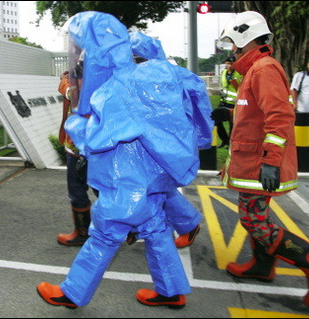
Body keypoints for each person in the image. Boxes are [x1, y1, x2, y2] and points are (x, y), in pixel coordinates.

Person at [37, 11, 212, 309]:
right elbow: (197, 101)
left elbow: (94, 138)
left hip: (126, 175)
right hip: (153, 173)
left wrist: (74, 118)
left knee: (107, 231)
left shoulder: (116, 88)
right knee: (155, 227)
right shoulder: (156, 74)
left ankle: (73, 292)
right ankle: (171, 290)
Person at [217, 11, 309, 309]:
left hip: (260, 163)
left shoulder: (263, 69)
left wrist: (271, 161)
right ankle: (262, 266)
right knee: (255, 217)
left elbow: (280, 117)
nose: (232, 50)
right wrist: (229, 121)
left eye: (233, 43)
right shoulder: (256, 69)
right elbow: (253, 118)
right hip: (252, 161)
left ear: (245, 38)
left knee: (253, 220)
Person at [128, 31, 214, 248]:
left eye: (137, 58)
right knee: (156, 185)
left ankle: (143, 228)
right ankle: (182, 224)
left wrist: (202, 137)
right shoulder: (135, 76)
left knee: (154, 185)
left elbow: (200, 107)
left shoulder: (174, 75)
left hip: (167, 143)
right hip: (146, 142)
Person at [56, 70, 97, 246]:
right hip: (99, 146)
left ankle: (82, 233)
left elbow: (74, 95)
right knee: (104, 189)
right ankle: (128, 228)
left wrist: (65, 82)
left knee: (78, 190)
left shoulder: (86, 83)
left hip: (81, 147)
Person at [210, 56, 242, 148]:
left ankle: (231, 143)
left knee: (232, 124)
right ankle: (224, 139)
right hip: (224, 101)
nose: (229, 66)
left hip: (234, 102)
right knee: (216, 119)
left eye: (231, 64)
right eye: (228, 63)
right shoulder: (223, 72)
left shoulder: (239, 74)